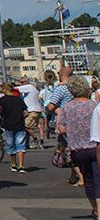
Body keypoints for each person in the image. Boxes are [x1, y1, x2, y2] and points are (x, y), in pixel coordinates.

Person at [57, 75, 99, 217]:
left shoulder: (67, 107)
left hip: (77, 149)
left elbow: (61, 128)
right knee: (98, 178)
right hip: (95, 147)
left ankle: (95, 208)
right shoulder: (93, 106)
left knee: (88, 180)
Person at [0, 82, 28, 173]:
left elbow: (0, 112)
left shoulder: (2, 100)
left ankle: (13, 164)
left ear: (5, 90)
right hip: (19, 124)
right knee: (20, 145)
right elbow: (26, 112)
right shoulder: (19, 100)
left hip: (8, 125)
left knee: (11, 145)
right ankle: (21, 165)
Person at [17, 75, 46, 148]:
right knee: (37, 127)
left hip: (32, 111)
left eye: (22, 82)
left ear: (25, 82)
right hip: (36, 110)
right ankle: (27, 143)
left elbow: (15, 88)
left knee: (25, 126)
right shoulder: (32, 88)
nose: (20, 84)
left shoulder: (28, 87)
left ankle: (35, 139)